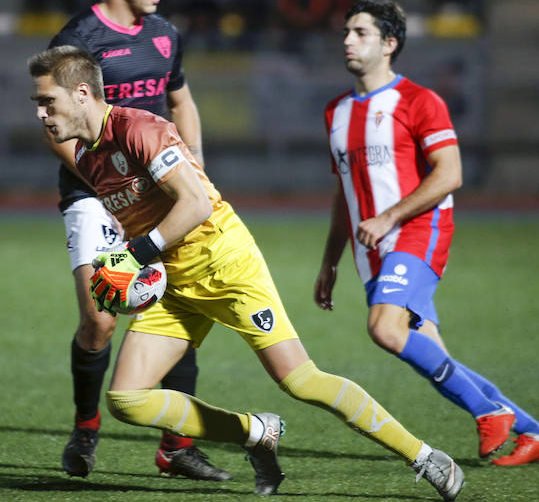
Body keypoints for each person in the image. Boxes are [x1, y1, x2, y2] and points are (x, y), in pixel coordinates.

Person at [27, 45, 466, 500]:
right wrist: (118, 267)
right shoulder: (87, 153)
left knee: (300, 381)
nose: (41, 113)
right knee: (127, 400)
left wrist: (137, 252)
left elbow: (195, 204)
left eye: (47, 101)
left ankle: (423, 455)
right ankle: (255, 432)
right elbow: (137, 217)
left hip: (227, 265)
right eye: (38, 103)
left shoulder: (139, 128)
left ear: (82, 93)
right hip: (174, 283)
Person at [314, 0, 539, 466]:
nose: (347, 41)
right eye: (346, 32)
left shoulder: (419, 101)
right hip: (372, 251)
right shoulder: (336, 112)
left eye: (360, 33)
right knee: (432, 356)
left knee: (385, 330)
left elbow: (449, 174)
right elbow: (342, 192)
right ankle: (537, 433)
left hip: (417, 230)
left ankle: (490, 414)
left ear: (389, 43)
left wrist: (389, 218)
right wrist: (329, 262)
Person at [45, 0, 228, 480]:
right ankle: (85, 428)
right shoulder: (77, 40)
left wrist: (192, 163)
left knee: (179, 312)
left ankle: (176, 448)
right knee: (99, 322)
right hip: (95, 198)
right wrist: (105, 182)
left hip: (154, 200)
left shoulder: (166, 35)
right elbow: (57, 130)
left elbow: (181, 99)